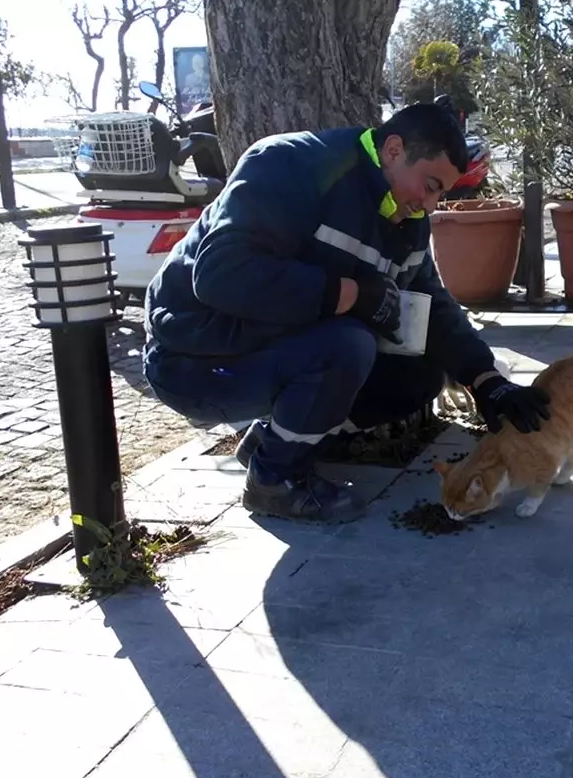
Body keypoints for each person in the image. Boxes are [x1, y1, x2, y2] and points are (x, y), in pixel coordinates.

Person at [141, 104, 551, 523]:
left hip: (272, 348)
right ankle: (274, 481)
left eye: (440, 194)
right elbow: (220, 276)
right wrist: (349, 293)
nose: (429, 205)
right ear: (393, 150)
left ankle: (273, 441)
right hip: (193, 359)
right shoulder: (291, 163)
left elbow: (431, 305)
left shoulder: (407, 223)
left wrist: (487, 382)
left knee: (420, 375)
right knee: (346, 345)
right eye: (429, 185)